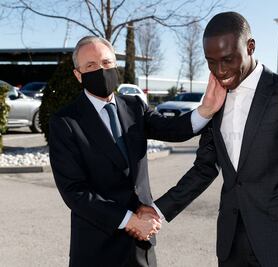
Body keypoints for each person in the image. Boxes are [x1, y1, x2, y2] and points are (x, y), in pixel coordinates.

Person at [138, 12, 278, 267]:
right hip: (231, 248)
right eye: (211, 62)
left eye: (227, 60)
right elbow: (205, 168)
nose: (220, 71)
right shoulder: (216, 100)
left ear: (250, 47)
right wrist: (158, 209)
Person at [48, 35, 226, 267]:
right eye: (90, 65)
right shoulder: (65, 121)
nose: (100, 70)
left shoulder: (134, 106)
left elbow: (172, 130)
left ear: (115, 65)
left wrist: (205, 110)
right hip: (97, 248)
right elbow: (75, 192)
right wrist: (129, 220)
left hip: (142, 246)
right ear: (78, 75)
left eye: (106, 63)